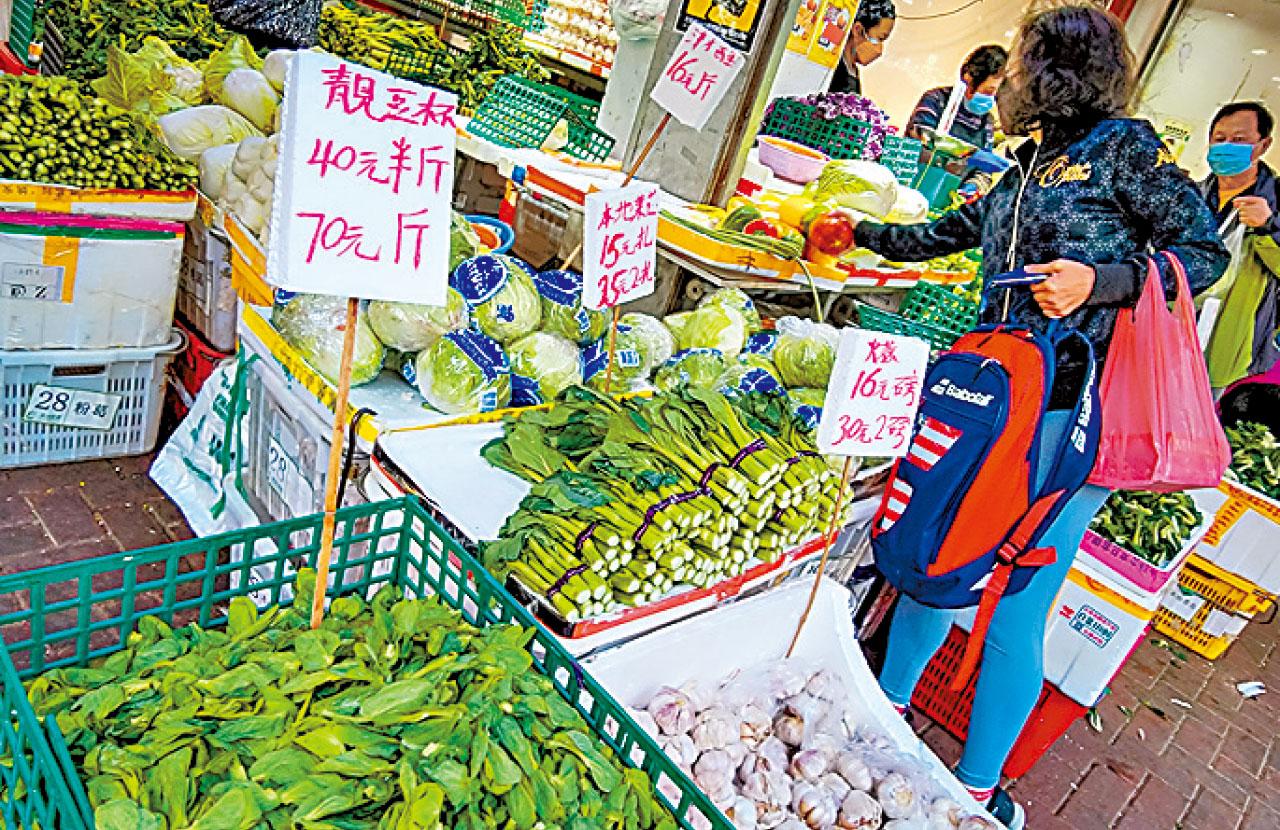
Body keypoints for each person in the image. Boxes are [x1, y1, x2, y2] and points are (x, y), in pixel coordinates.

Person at [849, 6, 1228, 827]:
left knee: (1018, 599)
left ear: (1052, 66)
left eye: (1024, 59)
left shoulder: (1124, 150)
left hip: (1068, 420)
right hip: (994, 402)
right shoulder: (1028, 163)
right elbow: (955, 229)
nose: (1013, 75)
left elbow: (1205, 252)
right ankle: (879, 722)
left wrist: (1103, 282)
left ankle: (977, 790)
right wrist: (859, 230)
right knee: (936, 565)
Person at [1200, 101, 1280, 388]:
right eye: (1220, 139)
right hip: (1172, 328)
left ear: (1263, 144)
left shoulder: (1275, 201)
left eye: (1239, 140)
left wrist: (1268, 227)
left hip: (1231, 344)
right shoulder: (1192, 197)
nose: (1226, 147)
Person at [905, 44, 1008, 150]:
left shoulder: (987, 121)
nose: (992, 97)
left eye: (997, 93)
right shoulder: (935, 100)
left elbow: (985, 159)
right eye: (988, 91)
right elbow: (917, 143)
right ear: (969, 78)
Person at [828, 0, 896, 96]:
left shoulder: (853, 71)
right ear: (858, 30)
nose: (880, 49)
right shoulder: (832, 70)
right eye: (880, 38)